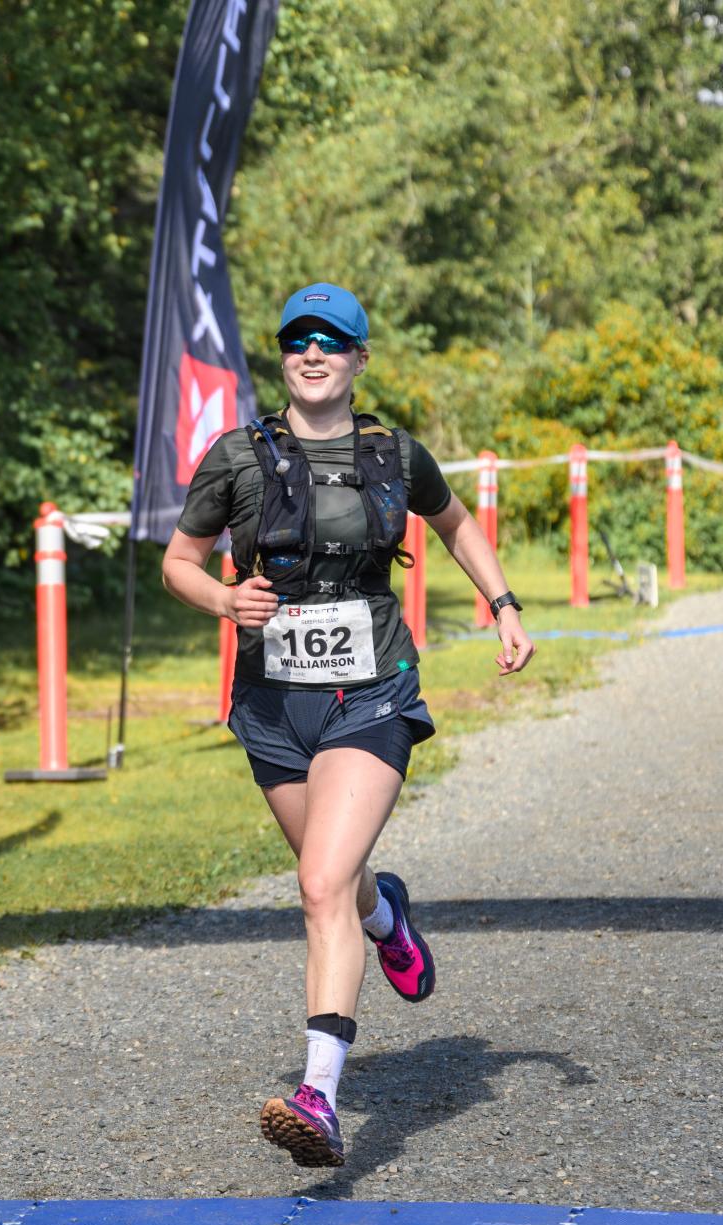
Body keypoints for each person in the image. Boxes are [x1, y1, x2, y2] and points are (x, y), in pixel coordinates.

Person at [161, 282, 534, 1168]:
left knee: (320, 880)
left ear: (360, 359)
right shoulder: (237, 458)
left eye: (332, 341)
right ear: (284, 357)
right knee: (336, 880)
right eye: (299, 340)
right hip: (271, 706)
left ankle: (318, 1096)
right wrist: (225, 599)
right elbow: (179, 562)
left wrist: (504, 603)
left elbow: (456, 525)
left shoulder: (396, 455)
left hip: (372, 692)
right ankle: (387, 913)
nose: (314, 353)